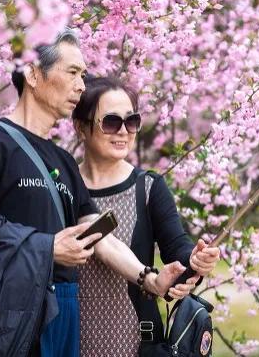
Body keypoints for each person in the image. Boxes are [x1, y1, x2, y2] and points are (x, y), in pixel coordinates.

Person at [0, 28, 188, 357]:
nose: (81, 85)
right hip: (12, 311)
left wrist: (149, 279)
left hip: (64, 308)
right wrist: (45, 248)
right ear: (33, 74)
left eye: (84, 75)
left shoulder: (62, 160)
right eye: (72, 72)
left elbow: (99, 236)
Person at [72, 76, 221, 356]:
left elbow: (176, 247)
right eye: (111, 122)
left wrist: (195, 260)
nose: (123, 132)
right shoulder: (63, 185)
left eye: (131, 122)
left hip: (135, 342)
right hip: (67, 338)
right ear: (81, 127)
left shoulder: (148, 187)